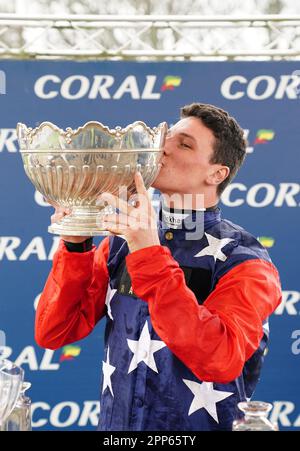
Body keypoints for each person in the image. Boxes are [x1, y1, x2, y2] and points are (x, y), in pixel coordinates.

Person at [35, 103, 282, 431]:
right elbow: (54, 332)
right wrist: (76, 244)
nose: (161, 147)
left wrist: (148, 251)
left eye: (184, 144)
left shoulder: (246, 259)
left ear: (216, 173)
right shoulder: (119, 242)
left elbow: (219, 358)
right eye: (165, 136)